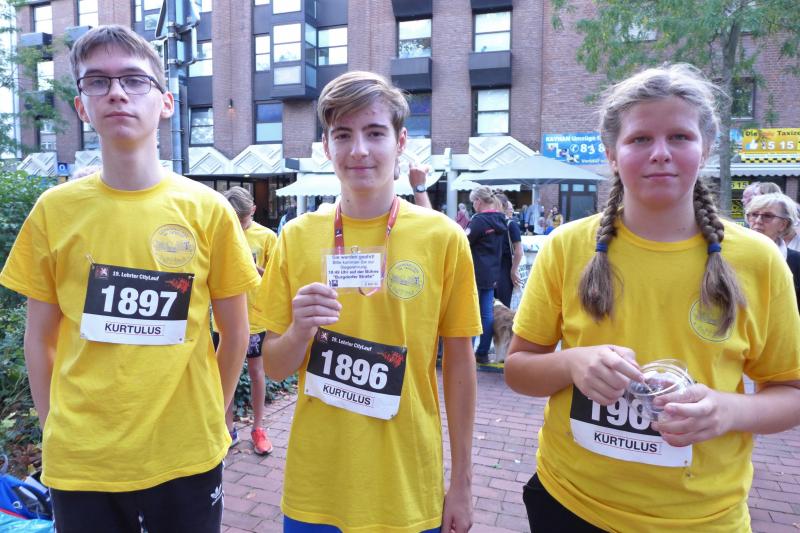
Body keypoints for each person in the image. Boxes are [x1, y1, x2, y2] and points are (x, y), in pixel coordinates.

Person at [504, 63, 800, 532]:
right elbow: (519, 369)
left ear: (705, 149)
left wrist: (727, 410)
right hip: (570, 502)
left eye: (680, 137)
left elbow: (790, 392)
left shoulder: (759, 260)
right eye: (640, 139)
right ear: (612, 154)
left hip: (701, 516)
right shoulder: (568, 246)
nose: (660, 153)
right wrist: (573, 362)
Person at [0, 25, 260, 533]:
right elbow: (40, 339)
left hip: (186, 452)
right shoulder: (54, 211)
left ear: (165, 103)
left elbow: (236, 333)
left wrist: (214, 412)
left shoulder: (209, 210)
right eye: (97, 81)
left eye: (134, 80)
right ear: (81, 107)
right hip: (83, 459)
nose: (117, 92)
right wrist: (54, 426)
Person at [251, 71, 480, 532]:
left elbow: (459, 365)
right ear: (326, 146)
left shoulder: (443, 237)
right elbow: (273, 366)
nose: (358, 150)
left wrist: (462, 483)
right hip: (317, 488)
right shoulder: (296, 237)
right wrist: (299, 331)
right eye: (343, 135)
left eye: (374, 133)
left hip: (406, 484)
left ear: (400, 142)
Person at [212, 186, 277, 455]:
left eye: (242, 220)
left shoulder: (267, 237)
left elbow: (277, 281)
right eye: (233, 219)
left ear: (253, 210)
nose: (237, 225)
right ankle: (227, 429)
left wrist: (254, 268)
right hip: (223, 321)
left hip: (256, 319)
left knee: (256, 373)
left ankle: (258, 428)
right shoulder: (219, 233)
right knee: (224, 373)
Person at [466, 186, 507, 365]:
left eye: (473, 202)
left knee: (470, 314)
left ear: (478, 201)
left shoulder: (478, 221)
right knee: (486, 315)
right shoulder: (501, 219)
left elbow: (464, 242)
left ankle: (467, 353)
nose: (473, 205)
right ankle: (482, 352)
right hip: (492, 272)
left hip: (475, 273)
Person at [745, 192, 800, 312]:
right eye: (754, 214)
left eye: (768, 216)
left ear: (783, 224)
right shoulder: (732, 254)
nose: (758, 220)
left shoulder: (796, 262)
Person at [496, 193, 524, 308]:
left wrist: (513, 270)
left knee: (502, 306)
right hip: (492, 269)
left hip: (505, 269)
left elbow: (519, 251)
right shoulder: (491, 222)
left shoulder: (511, 225)